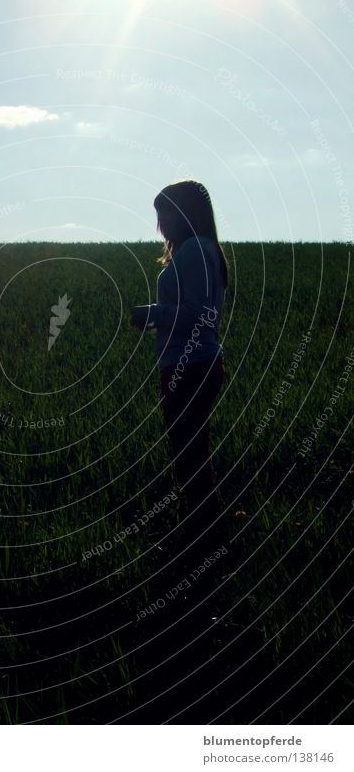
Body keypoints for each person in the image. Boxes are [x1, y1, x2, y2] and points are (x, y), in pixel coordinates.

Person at [130, 180, 229, 572]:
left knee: (190, 455)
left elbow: (199, 314)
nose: (161, 223)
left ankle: (205, 540)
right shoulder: (198, 251)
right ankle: (205, 536)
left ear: (189, 214)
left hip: (192, 365)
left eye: (168, 213)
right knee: (189, 453)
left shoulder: (196, 251)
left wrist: (150, 315)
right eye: (159, 215)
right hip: (187, 364)